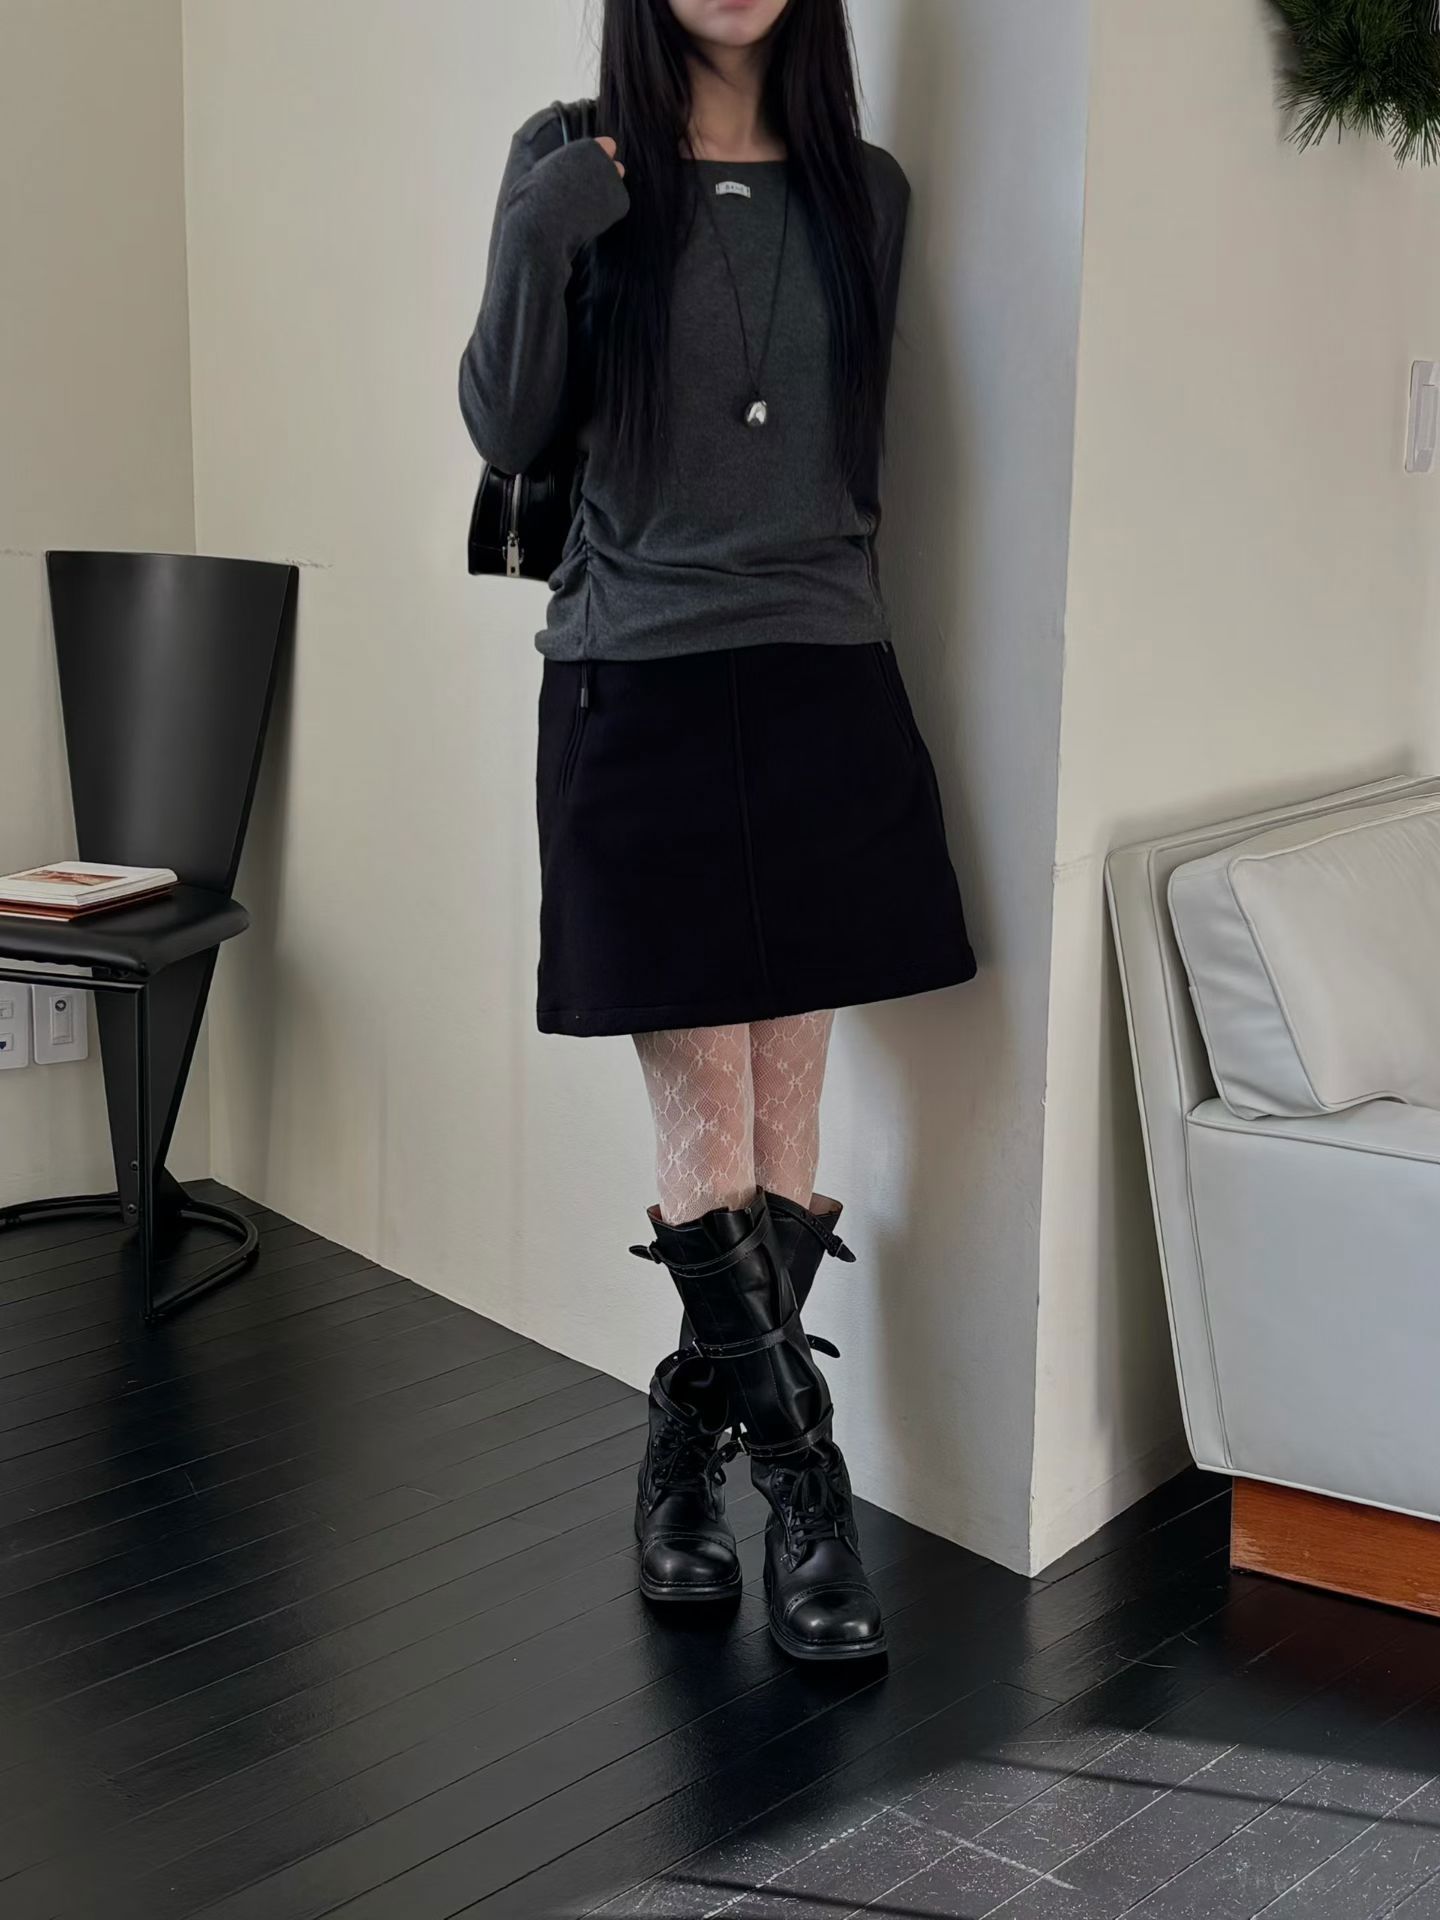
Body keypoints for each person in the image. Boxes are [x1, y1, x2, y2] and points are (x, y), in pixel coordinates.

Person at [459, 0, 975, 1664]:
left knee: (790, 1117)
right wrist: (540, 237)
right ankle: (809, 1489)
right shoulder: (566, 160)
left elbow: (844, 455)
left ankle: (688, 1447)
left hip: (822, 674)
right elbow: (505, 426)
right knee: (710, 1119)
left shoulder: (866, 193)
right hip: (642, 679)